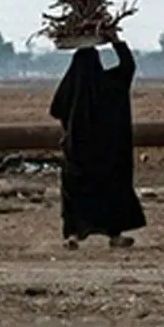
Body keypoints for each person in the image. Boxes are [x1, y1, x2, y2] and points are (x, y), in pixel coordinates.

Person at [49, 27, 147, 250]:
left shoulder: (72, 87)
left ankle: (73, 234)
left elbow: (56, 109)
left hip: (78, 152)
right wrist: (117, 42)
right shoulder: (112, 84)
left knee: (75, 193)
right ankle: (115, 234)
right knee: (112, 191)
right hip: (111, 153)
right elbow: (128, 67)